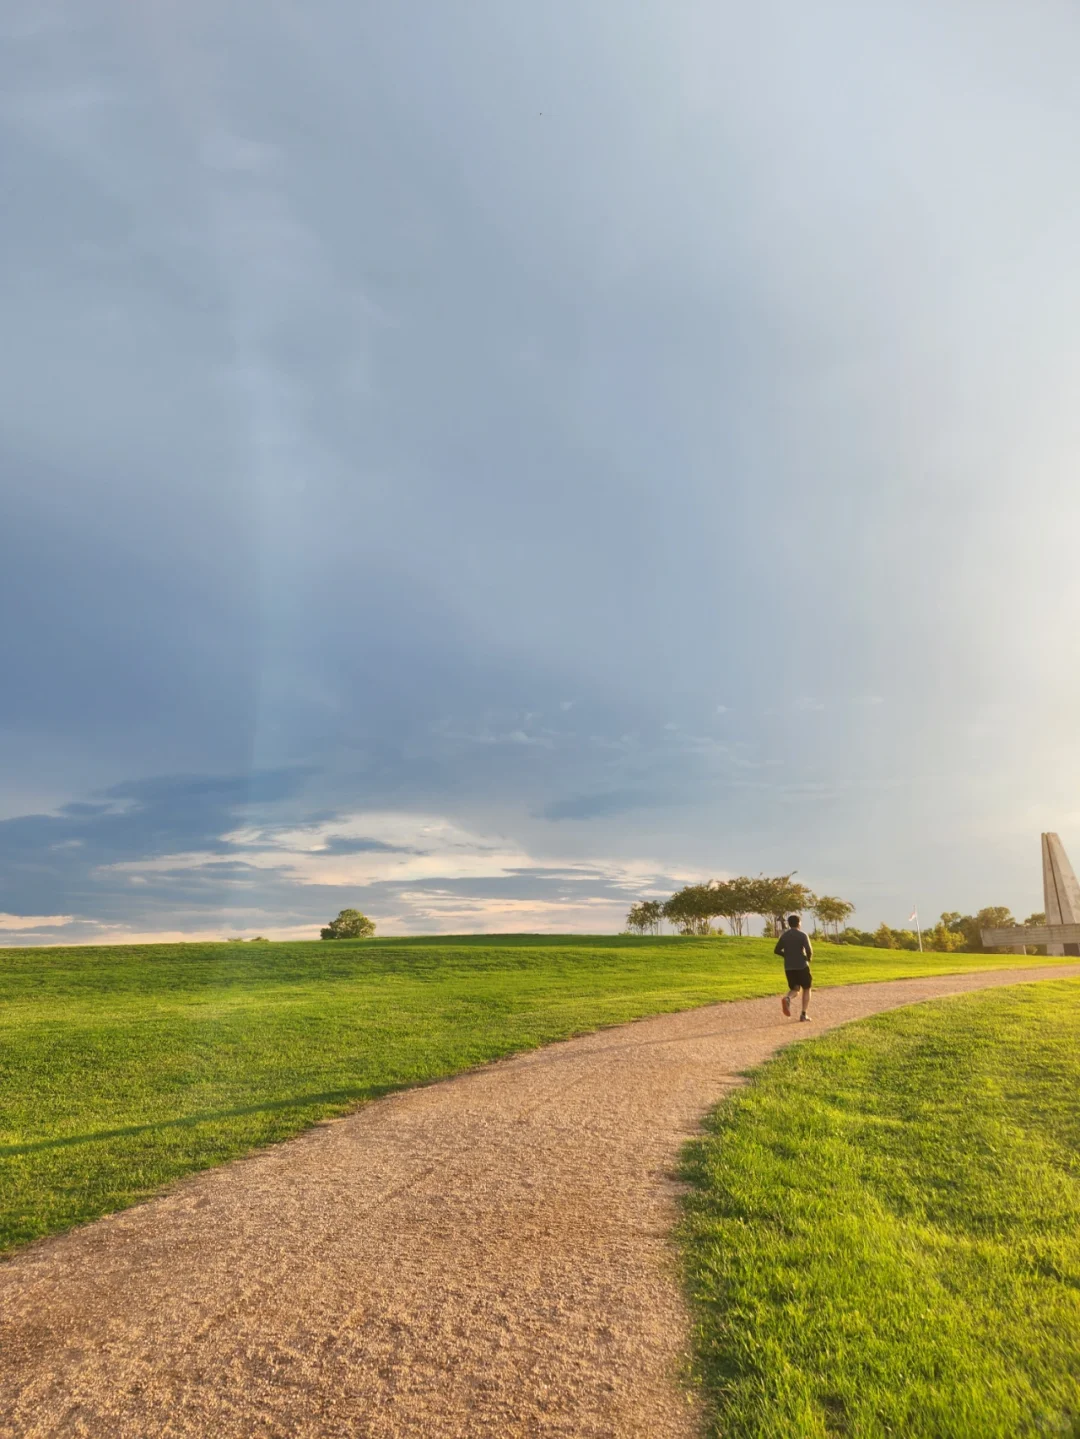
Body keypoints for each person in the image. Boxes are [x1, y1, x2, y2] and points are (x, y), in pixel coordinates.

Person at [775, 913, 812, 1021]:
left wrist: (786, 955)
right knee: (806, 988)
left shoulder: (784, 936)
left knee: (795, 988)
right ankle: (803, 1014)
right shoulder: (802, 935)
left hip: (789, 967)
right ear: (799, 923)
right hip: (802, 966)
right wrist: (808, 958)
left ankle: (788, 998)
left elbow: (776, 950)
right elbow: (809, 950)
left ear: (789, 924)